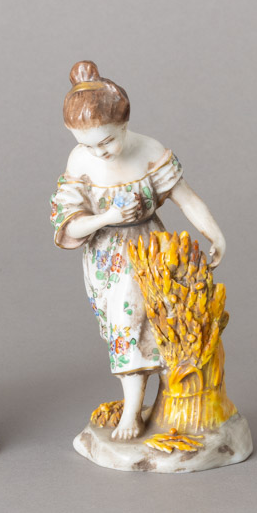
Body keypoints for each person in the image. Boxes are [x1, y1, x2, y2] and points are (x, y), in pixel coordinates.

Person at [50, 61, 226, 441]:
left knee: (150, 327)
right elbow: (68, 224)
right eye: (87, 144)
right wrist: (106, 217)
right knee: (124, 330)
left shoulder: (149, 151)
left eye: (107, 141)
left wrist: (215, 234)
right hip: (107, 257)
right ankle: (140, 405)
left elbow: (186, 197)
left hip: (151, 250)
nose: (99, 152)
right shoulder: (80, 160)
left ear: (124, 124)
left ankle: (143, 409)